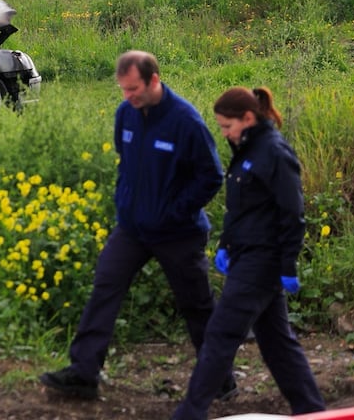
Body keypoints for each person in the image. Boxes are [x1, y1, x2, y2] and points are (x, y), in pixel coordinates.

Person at [40, 50, 232, 400]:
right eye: (123, 90)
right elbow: (125, 161)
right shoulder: (125, 115)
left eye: (133, 90)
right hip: (132, 229)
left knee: (197, 305)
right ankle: (83, 374)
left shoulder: (185, 121)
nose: (128, 97)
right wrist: (126, 202)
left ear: (154, 80)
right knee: (104, 289)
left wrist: (175, 211)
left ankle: (221, 381)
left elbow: (211, 176)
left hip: (178, 233)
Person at [171, 87, 326, 420]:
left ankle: (190, 412)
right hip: (245, 255)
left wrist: (287, 264)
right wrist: (226, 244)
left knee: (220, 334)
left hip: (263, 261)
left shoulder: (275, 153)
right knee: (277, 343)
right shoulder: (246, 148)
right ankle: (312, 410)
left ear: (248, 118)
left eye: (227, 126)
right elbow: (240, 209)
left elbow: (292, 215)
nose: (224, 133)